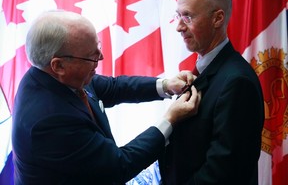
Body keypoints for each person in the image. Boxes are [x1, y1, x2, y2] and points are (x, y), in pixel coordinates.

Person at [11, 10, 201, 185]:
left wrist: (165, 85)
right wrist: (170, 120)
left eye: (98, 47)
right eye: (91, 56)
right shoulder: (48, 121)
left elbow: (112, 87)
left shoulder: (57, 76)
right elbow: (119, 166)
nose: (101, 57)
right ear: (58, 65)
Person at [158, 0, 264, 185]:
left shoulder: (237, 82)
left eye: (187, 17)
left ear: (217, 18)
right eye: (178, 16)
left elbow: (224, 172)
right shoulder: (205, 71)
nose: (179, 27)